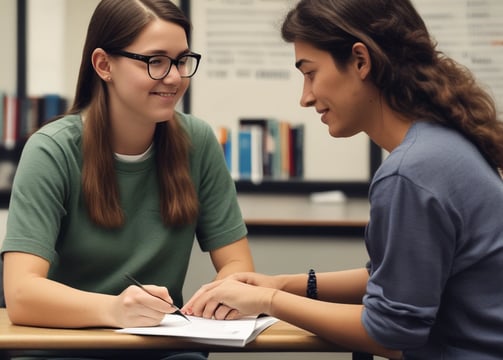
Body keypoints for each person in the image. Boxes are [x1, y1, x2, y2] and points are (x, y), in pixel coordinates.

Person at [183, 0, 503, 359]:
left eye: (310, 73)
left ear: (360, 61)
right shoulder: (443, 146)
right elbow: (396, 281)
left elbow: (391, 331)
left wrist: (268, 300)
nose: (305, 97)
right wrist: (281, 285)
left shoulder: (411, 172)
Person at [0, 0, 254, 359]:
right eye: (155, 61)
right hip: (62, 347)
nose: (175, 77)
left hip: (160, 347)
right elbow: (22, 295)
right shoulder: (51, 151)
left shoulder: (197, 142)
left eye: (181, 60)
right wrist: (115, 310)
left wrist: (221, 294)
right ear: (104, 65)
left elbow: (238, 263)